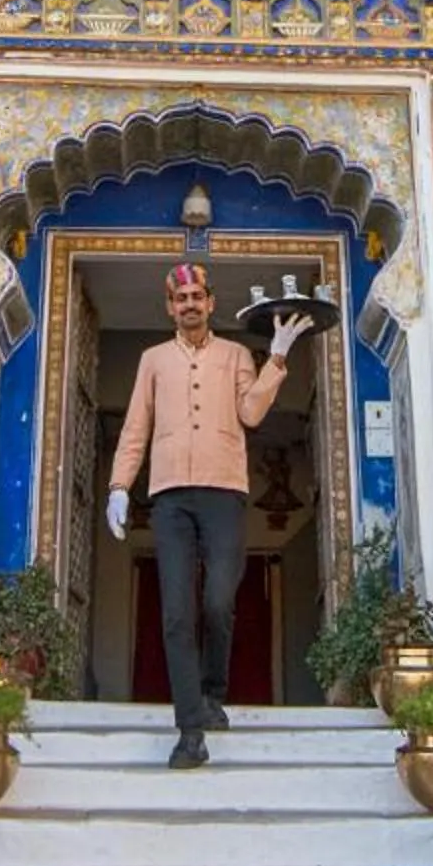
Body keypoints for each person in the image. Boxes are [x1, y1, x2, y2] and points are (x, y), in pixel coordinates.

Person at [108, 264, 309, 767]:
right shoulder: (152, 360)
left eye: (198, 295)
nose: (190, 304)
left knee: (219, 600)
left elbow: (252, 414)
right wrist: (118, 486)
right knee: (177, 612)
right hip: (170, 495)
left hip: (224, 492)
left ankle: (213, 691)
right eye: (181, 298)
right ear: (170, 306)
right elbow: (136, 427)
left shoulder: (236, 355)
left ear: (212, 302)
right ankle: (190, 729)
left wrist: (278, 358)